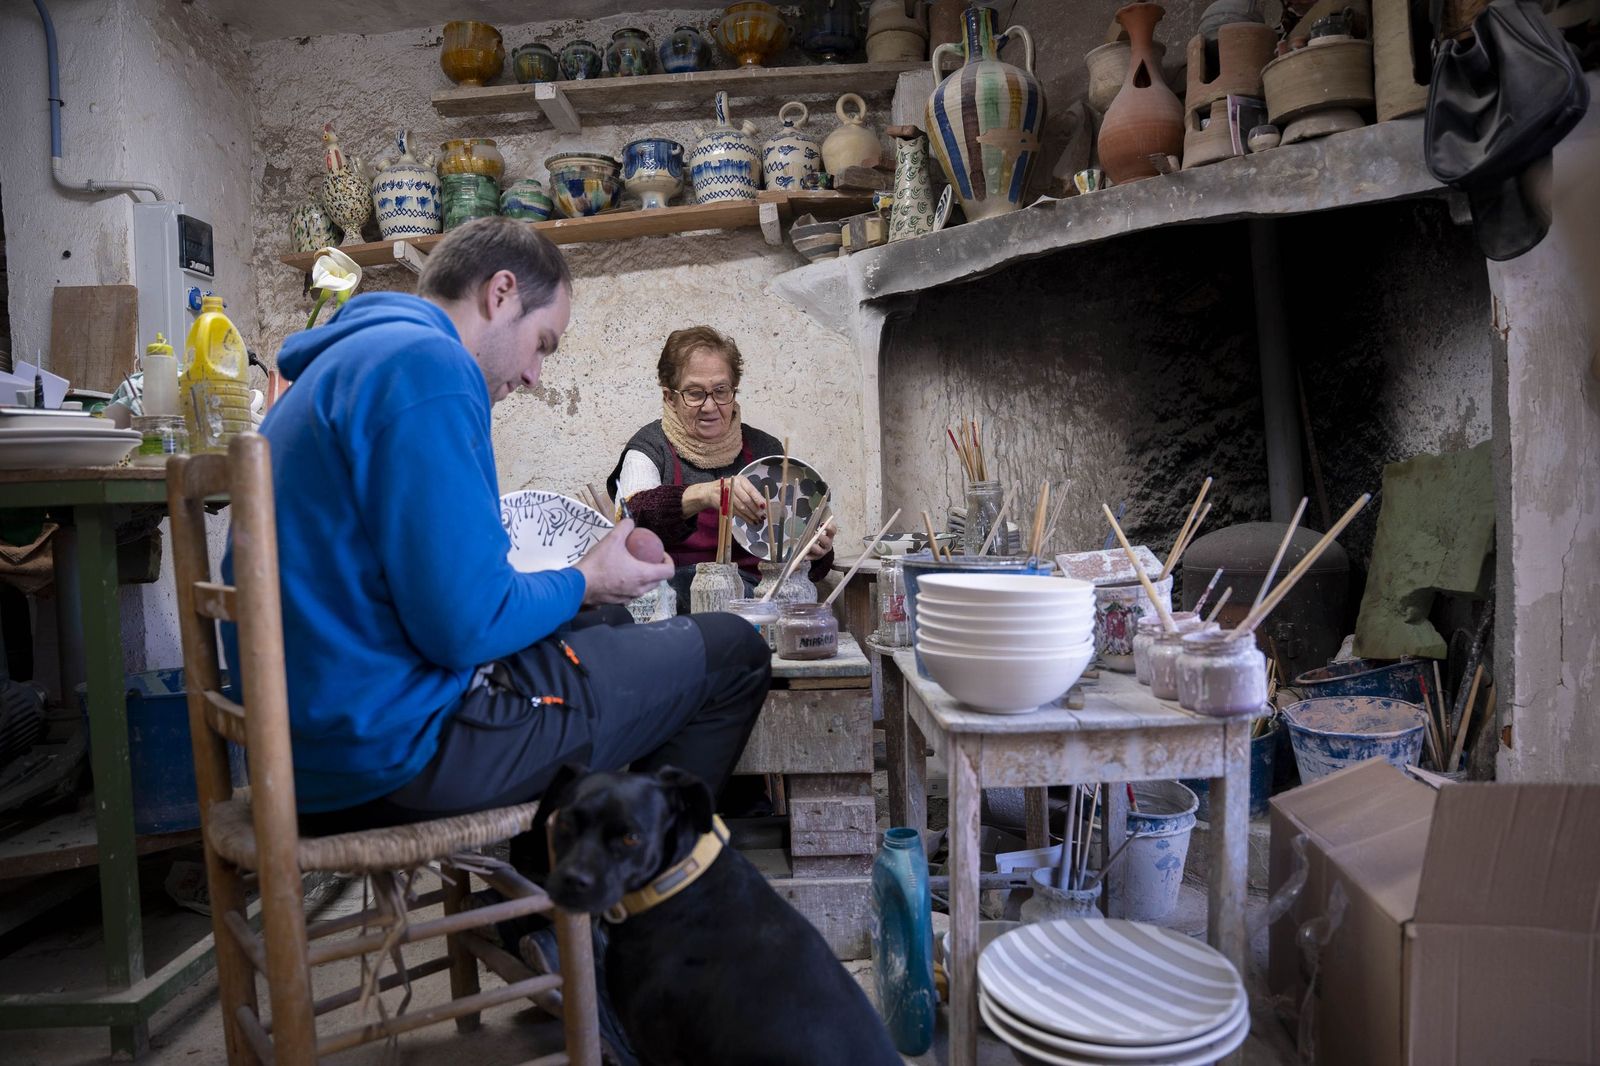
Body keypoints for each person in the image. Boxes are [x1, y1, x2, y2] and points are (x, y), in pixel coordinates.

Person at [231, 217, 772, 833]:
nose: (536, 374)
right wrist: (584, 579)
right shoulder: (428, 370)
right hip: (394, 757)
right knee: (734, 650)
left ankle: (548, 905)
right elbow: (467, 627)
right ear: (501, 293)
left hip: (310, 751)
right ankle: (635, 897)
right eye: (542, 342)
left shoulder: (354, 357)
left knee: (613, 623)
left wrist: (590, 594)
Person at [606, 326, 836, 610]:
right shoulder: (650, 449)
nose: (709, 406)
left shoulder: (766, 450)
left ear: (733, 391)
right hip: (677, 608)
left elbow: (803, 563)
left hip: (757, 607)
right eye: (694, 393)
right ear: (669, 397)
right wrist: (705, 494)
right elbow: (631, 518)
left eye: (720, 391)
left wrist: (815, 551)